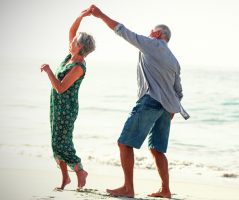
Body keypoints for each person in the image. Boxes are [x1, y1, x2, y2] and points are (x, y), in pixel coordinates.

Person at [89, 4, 189, 198]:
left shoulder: (152, 44)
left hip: (150, 101)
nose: (148, 34)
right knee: (157, 149)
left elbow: (122, 31)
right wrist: (171, 112)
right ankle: (166, 190)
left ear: (158, 34)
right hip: (166, 109)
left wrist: (100, 15)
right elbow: (179, 91)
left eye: (151, 31)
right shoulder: (174, 60)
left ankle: (128, 188)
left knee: (124, 143)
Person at [40, 9, 95, 190]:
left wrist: (48, 71)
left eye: (74, 42)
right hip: (56, 105)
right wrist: (81, 16)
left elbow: (61, 87)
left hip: (67, 107)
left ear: (80, 47)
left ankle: (80, 170)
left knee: (61, 142)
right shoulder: (70, 57)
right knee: (55, 141)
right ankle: (65, 178)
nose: (70, 42)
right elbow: (71, 31)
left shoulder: (79, 66)